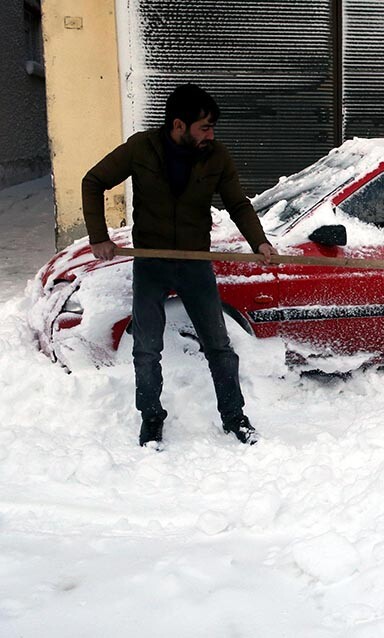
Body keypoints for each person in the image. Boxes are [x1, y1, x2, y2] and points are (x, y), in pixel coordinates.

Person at [81, 83, 278, 448]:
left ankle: (234, 416)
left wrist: (260, 242)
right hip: (151, 263)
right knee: (146, 347)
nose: (211, 135)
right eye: (204, 127)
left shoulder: (216, 156)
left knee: (218, 344)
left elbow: (238, 204)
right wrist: (98, 236)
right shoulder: (142, 148)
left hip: (195, 264)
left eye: (212, 128)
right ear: (178, 125)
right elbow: (93, 181)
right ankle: (151, 418)